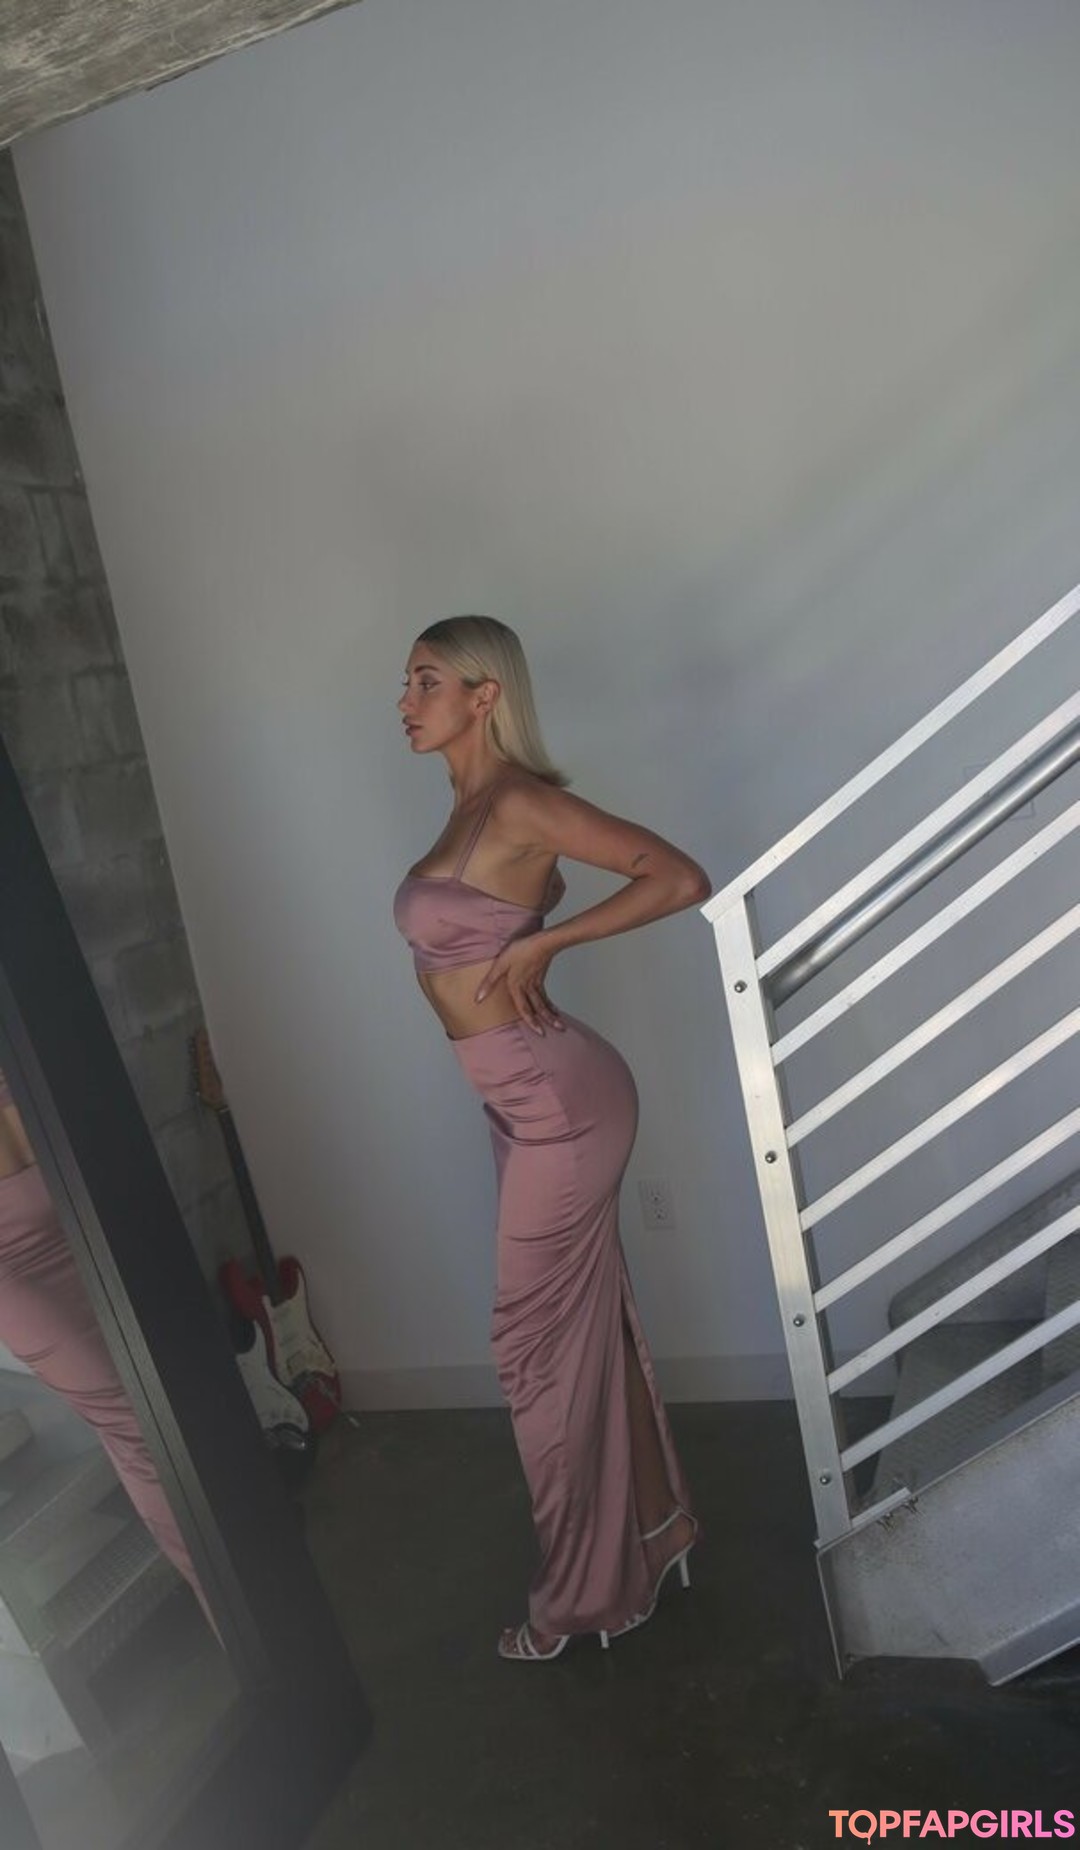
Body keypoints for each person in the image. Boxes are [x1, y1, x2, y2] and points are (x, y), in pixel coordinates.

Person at [393, 616, 711, 1661]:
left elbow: (679, 877)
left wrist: (549, 944)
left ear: (484, 695)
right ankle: (656, 1534)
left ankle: (580, 1596)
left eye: (427, 681)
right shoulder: (470, 808)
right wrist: (530, 931)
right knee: (581, 1330)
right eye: (407, 684)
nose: (405, 702)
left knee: (530, 1347)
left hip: (558, 1103)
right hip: (518, 1099)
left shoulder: (520, 801)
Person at [0, 1067, 211, 1624]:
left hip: (79, 1199)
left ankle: (245, 1552)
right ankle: (223, 1596)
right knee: (136, 1424)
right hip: (13, 1265)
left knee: (180, 1384)